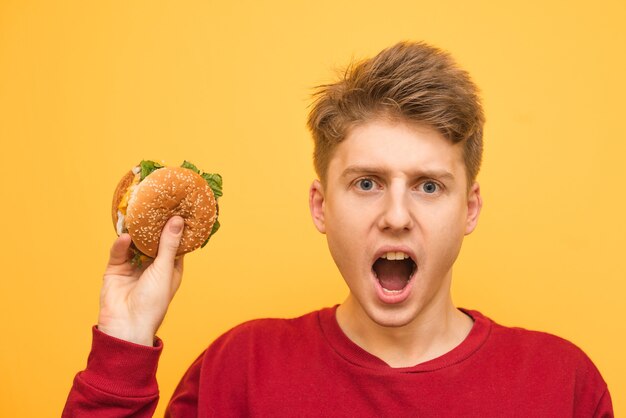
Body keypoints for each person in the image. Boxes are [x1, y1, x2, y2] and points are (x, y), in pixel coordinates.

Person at [63, 41, 613, 417]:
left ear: (469, 209)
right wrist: (124, 343)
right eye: (367, 183)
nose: (397, 215)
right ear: (321, 206)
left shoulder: (561, 383)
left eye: (428, 186)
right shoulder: (239, 370)